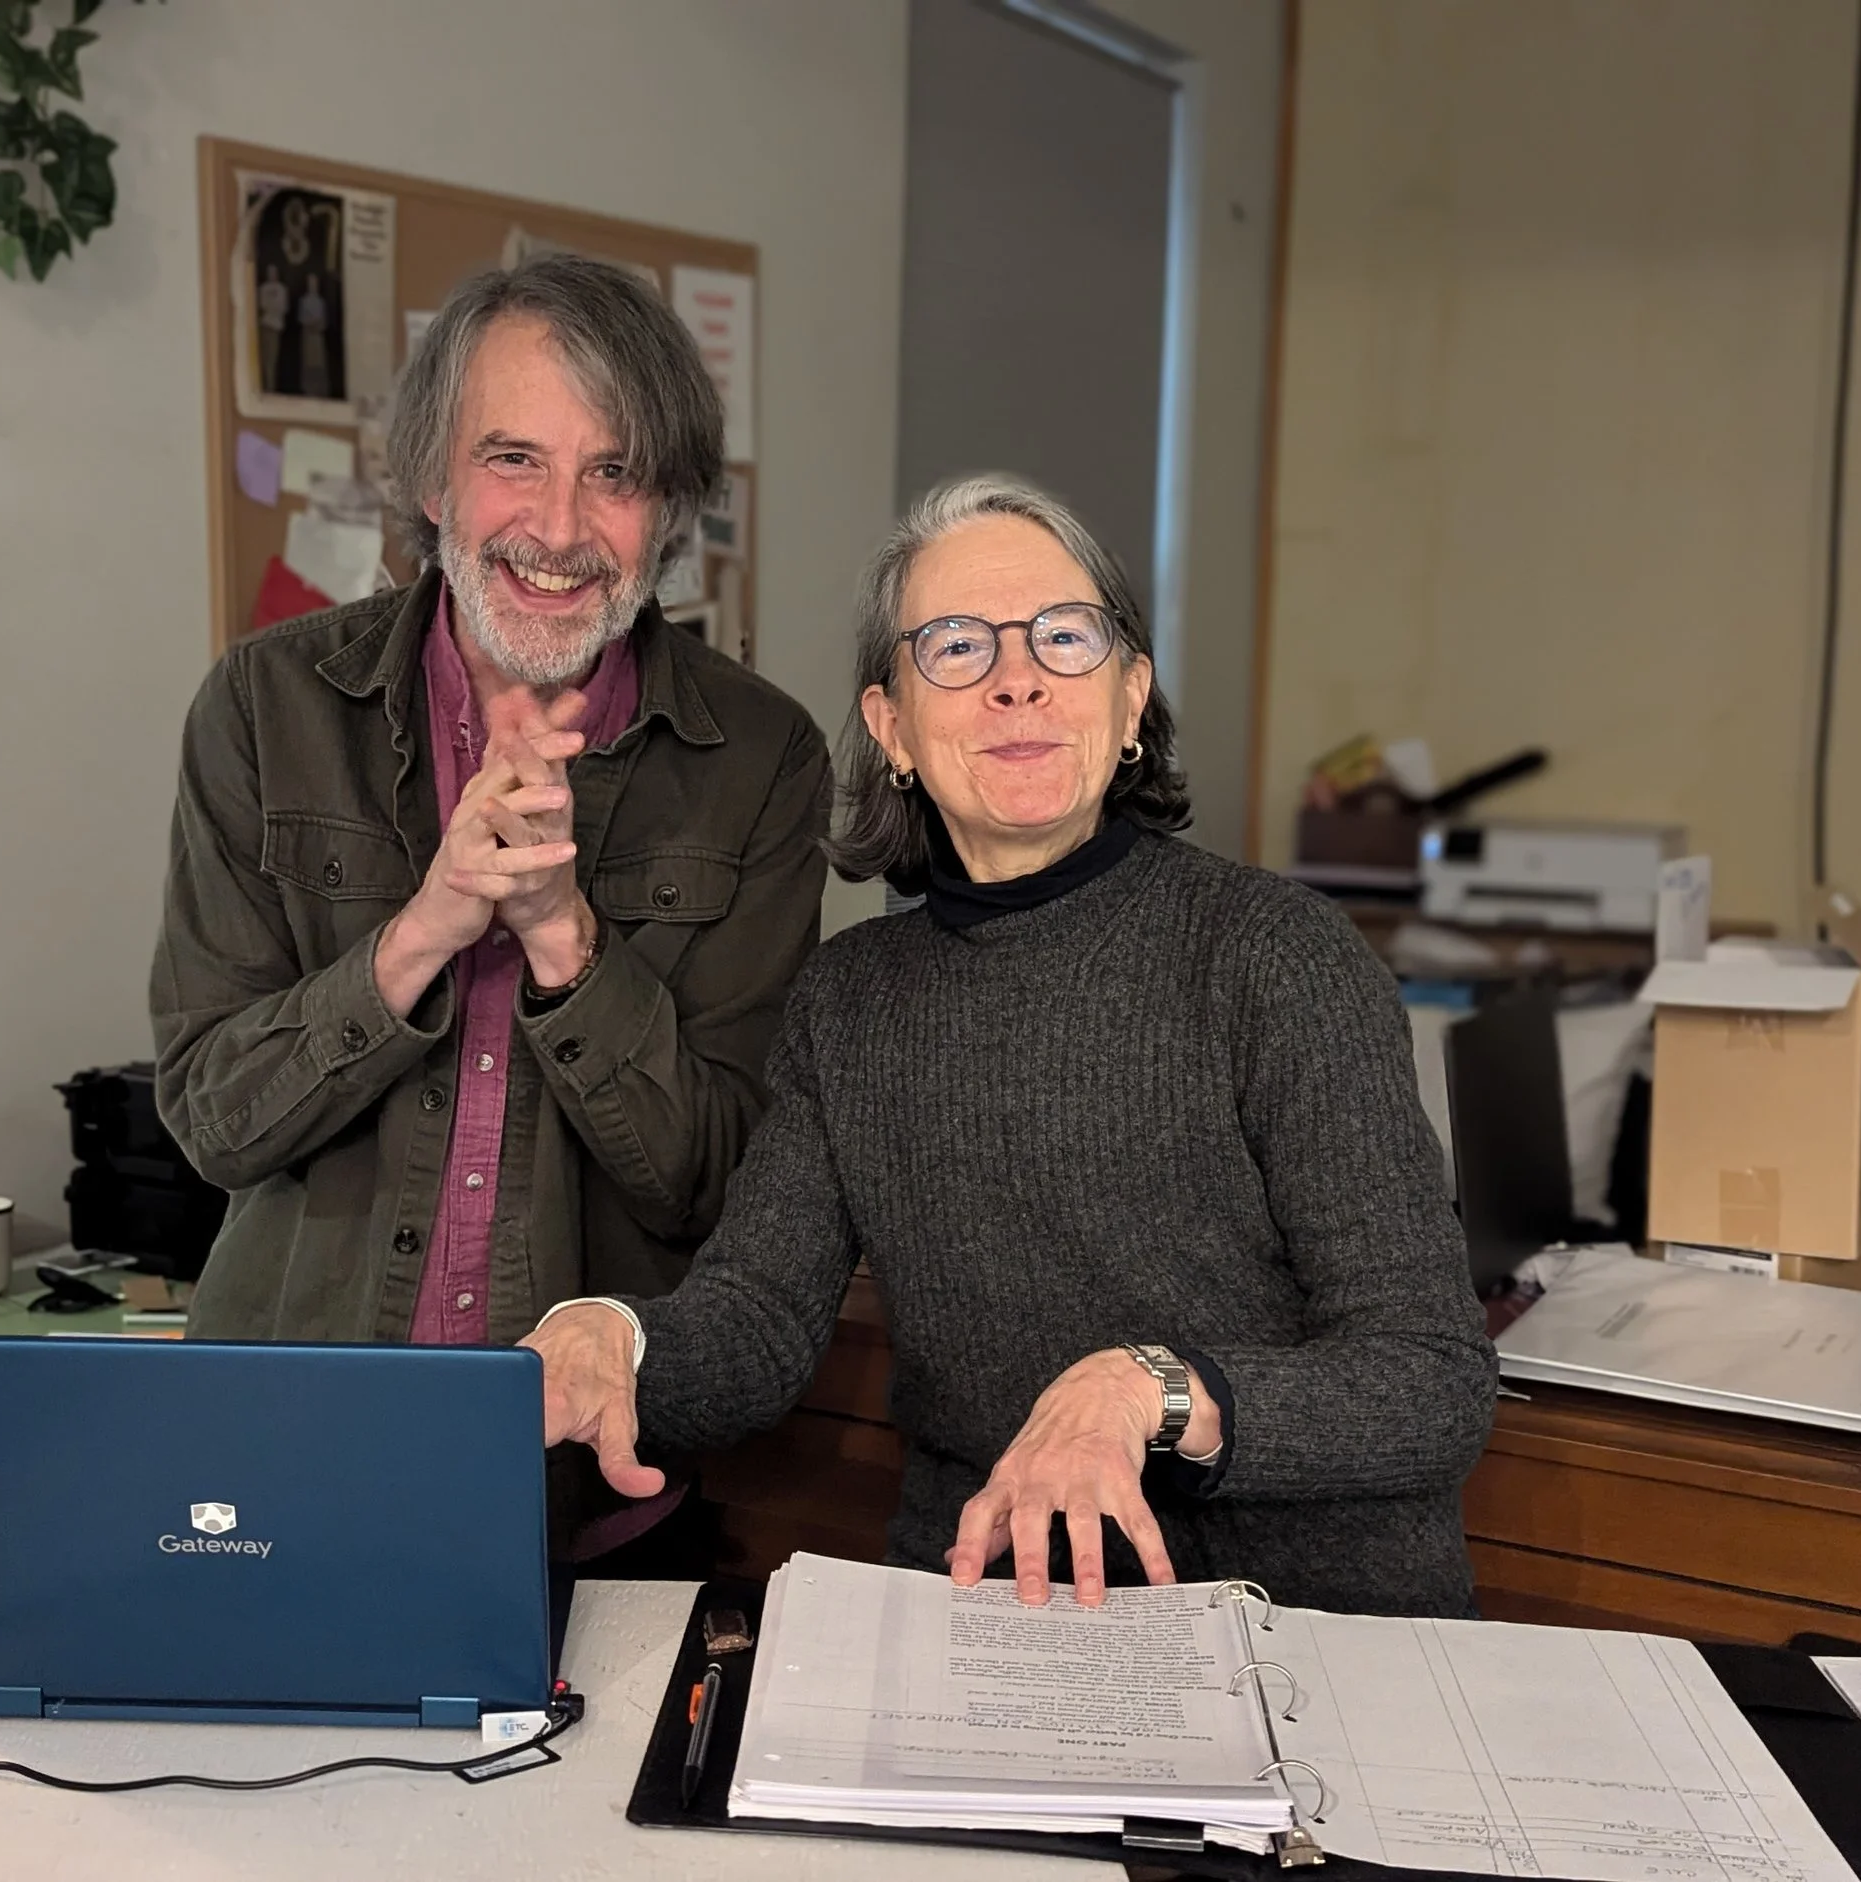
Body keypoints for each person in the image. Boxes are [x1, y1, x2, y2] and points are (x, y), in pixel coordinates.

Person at [525, 473, 1498, 1617]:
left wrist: (1151, 1394)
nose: (1017, 678)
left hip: (1298, 1626)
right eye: (955, 648)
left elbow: (1431, 1380)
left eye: (1063, 637)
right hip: (997, 1615)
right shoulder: (851, 1000)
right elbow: (753, 1326)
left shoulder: (1275, 955)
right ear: (890, 727)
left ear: (1131, 698)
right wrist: (615, 1337)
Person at [150, 256, 830, 1474]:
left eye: (613, 473)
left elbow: (717, 1184)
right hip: (284, 1439)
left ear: (666, 511)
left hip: (582, 1472)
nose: (561, 529)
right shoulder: (265, 705)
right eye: (513, 458)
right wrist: (428, 926)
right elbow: (213, 1118)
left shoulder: (762, 757)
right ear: (429, 476)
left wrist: (563, 936)